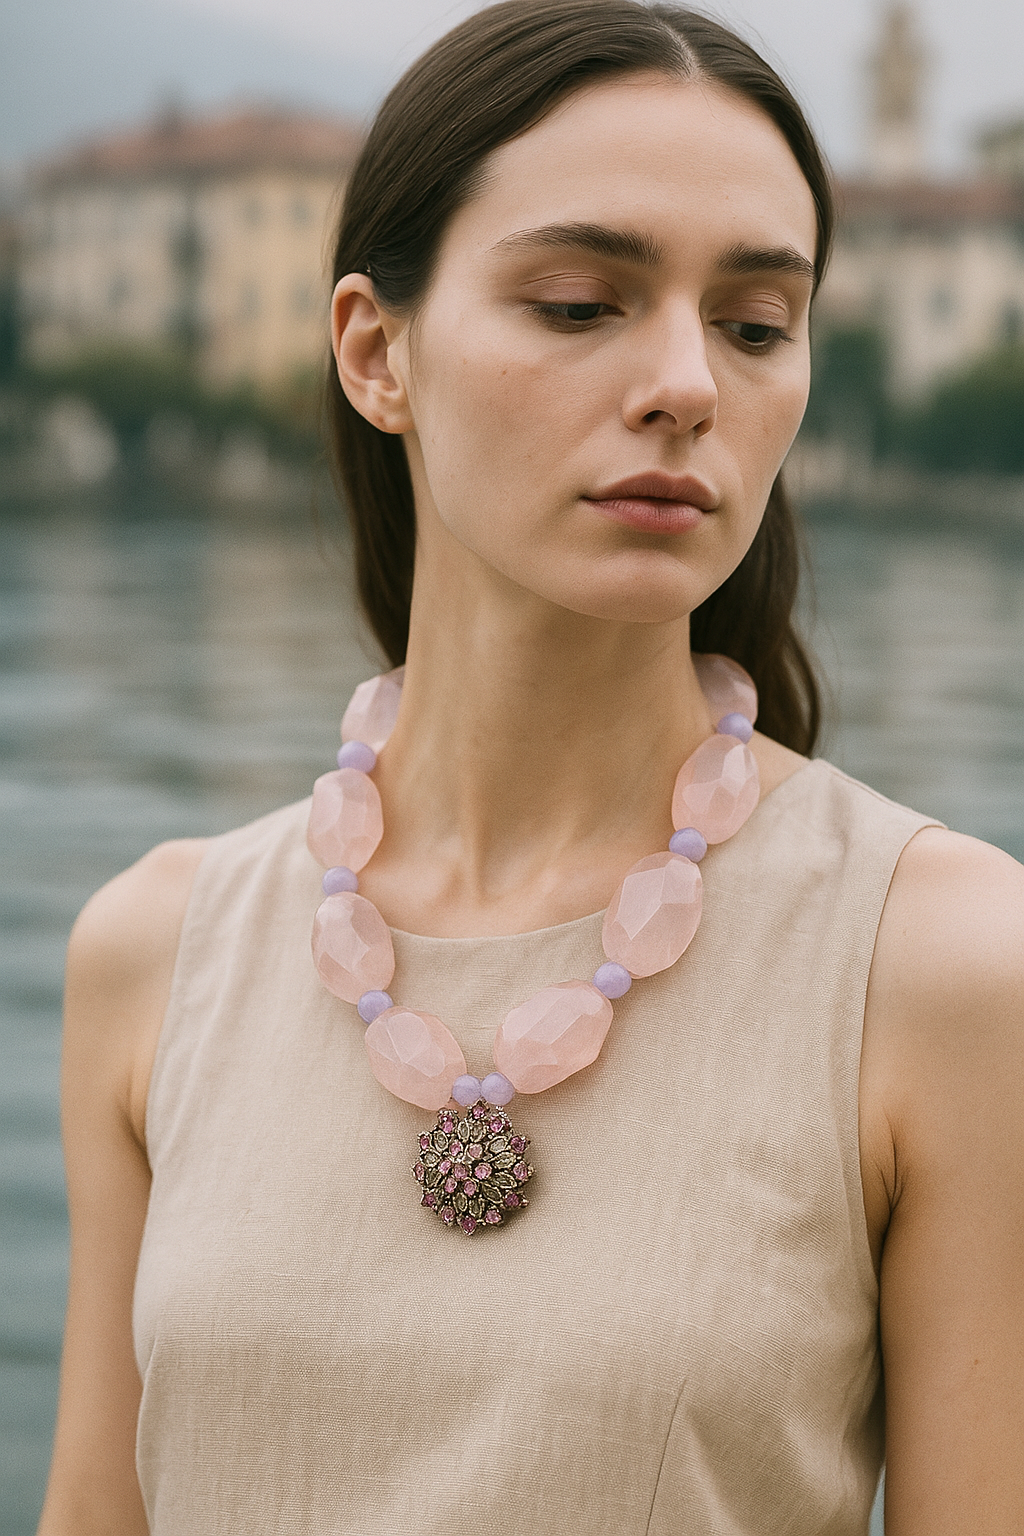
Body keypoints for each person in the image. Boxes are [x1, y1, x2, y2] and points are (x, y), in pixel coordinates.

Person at [38, 3, 1024, 1533]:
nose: (688, 383)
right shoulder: (157, 952)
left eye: (757, 324)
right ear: (376, 352)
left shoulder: (946, 965)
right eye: (579, 304)